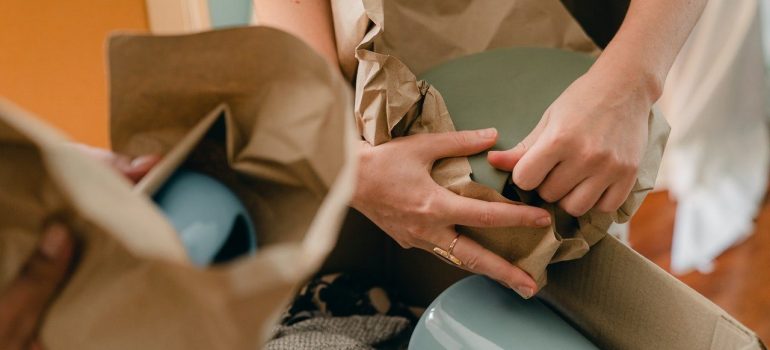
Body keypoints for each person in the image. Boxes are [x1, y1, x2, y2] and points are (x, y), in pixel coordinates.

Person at [1, 0, 707, 346]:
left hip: (570, 85)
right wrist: (347, 160)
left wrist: (631, 78)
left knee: (578, 256)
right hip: (375, 134)